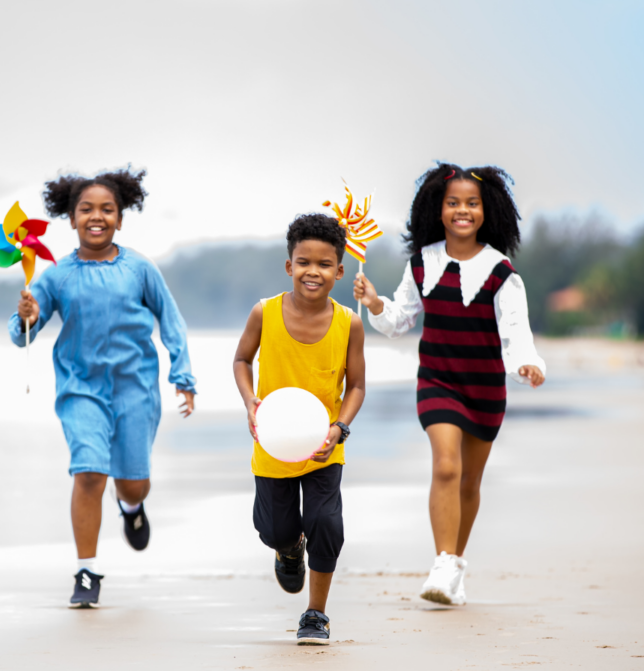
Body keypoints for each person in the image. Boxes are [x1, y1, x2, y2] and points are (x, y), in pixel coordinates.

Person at [353, 164, 545, 606]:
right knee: (445, 466)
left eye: (472, 203)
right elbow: (399, 319)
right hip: (437, 380)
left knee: (469, 485)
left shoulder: (501, 270)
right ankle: (443, 560)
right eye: (453, 202)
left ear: (486, 210)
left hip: (485, 387)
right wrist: (375, 302)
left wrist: (528, 364)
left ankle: (455, 565)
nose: (463, 210)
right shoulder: (422, 262)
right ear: (437, 210)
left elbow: (515, 329)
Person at [12, 166, 196, 609]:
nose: (97, 217)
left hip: (136, 389)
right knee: (90, 472)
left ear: (120, 217)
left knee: (133, 484)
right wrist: (27, 315)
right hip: (81, 390)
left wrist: (183, 376)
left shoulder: (140, 268)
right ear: (71, 219)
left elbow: (171, 320)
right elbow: (22, 335)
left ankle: (131, 508)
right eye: (86, 209)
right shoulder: (53, 276)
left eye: (107, 209)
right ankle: (87, 571)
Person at [233, 213, 366, 645]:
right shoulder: (264, 313)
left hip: (324, 446)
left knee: (326, 524)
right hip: (272, 444)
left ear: (340, 271)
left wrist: (340, 428)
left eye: (324, 264)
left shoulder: (350, 323)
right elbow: (241, 360)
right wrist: (250, 400)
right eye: (304, 262)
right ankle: (288, 550)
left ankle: (316, 614)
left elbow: (358, 385)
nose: (314, 271)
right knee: (274, 529)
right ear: (289, 265)